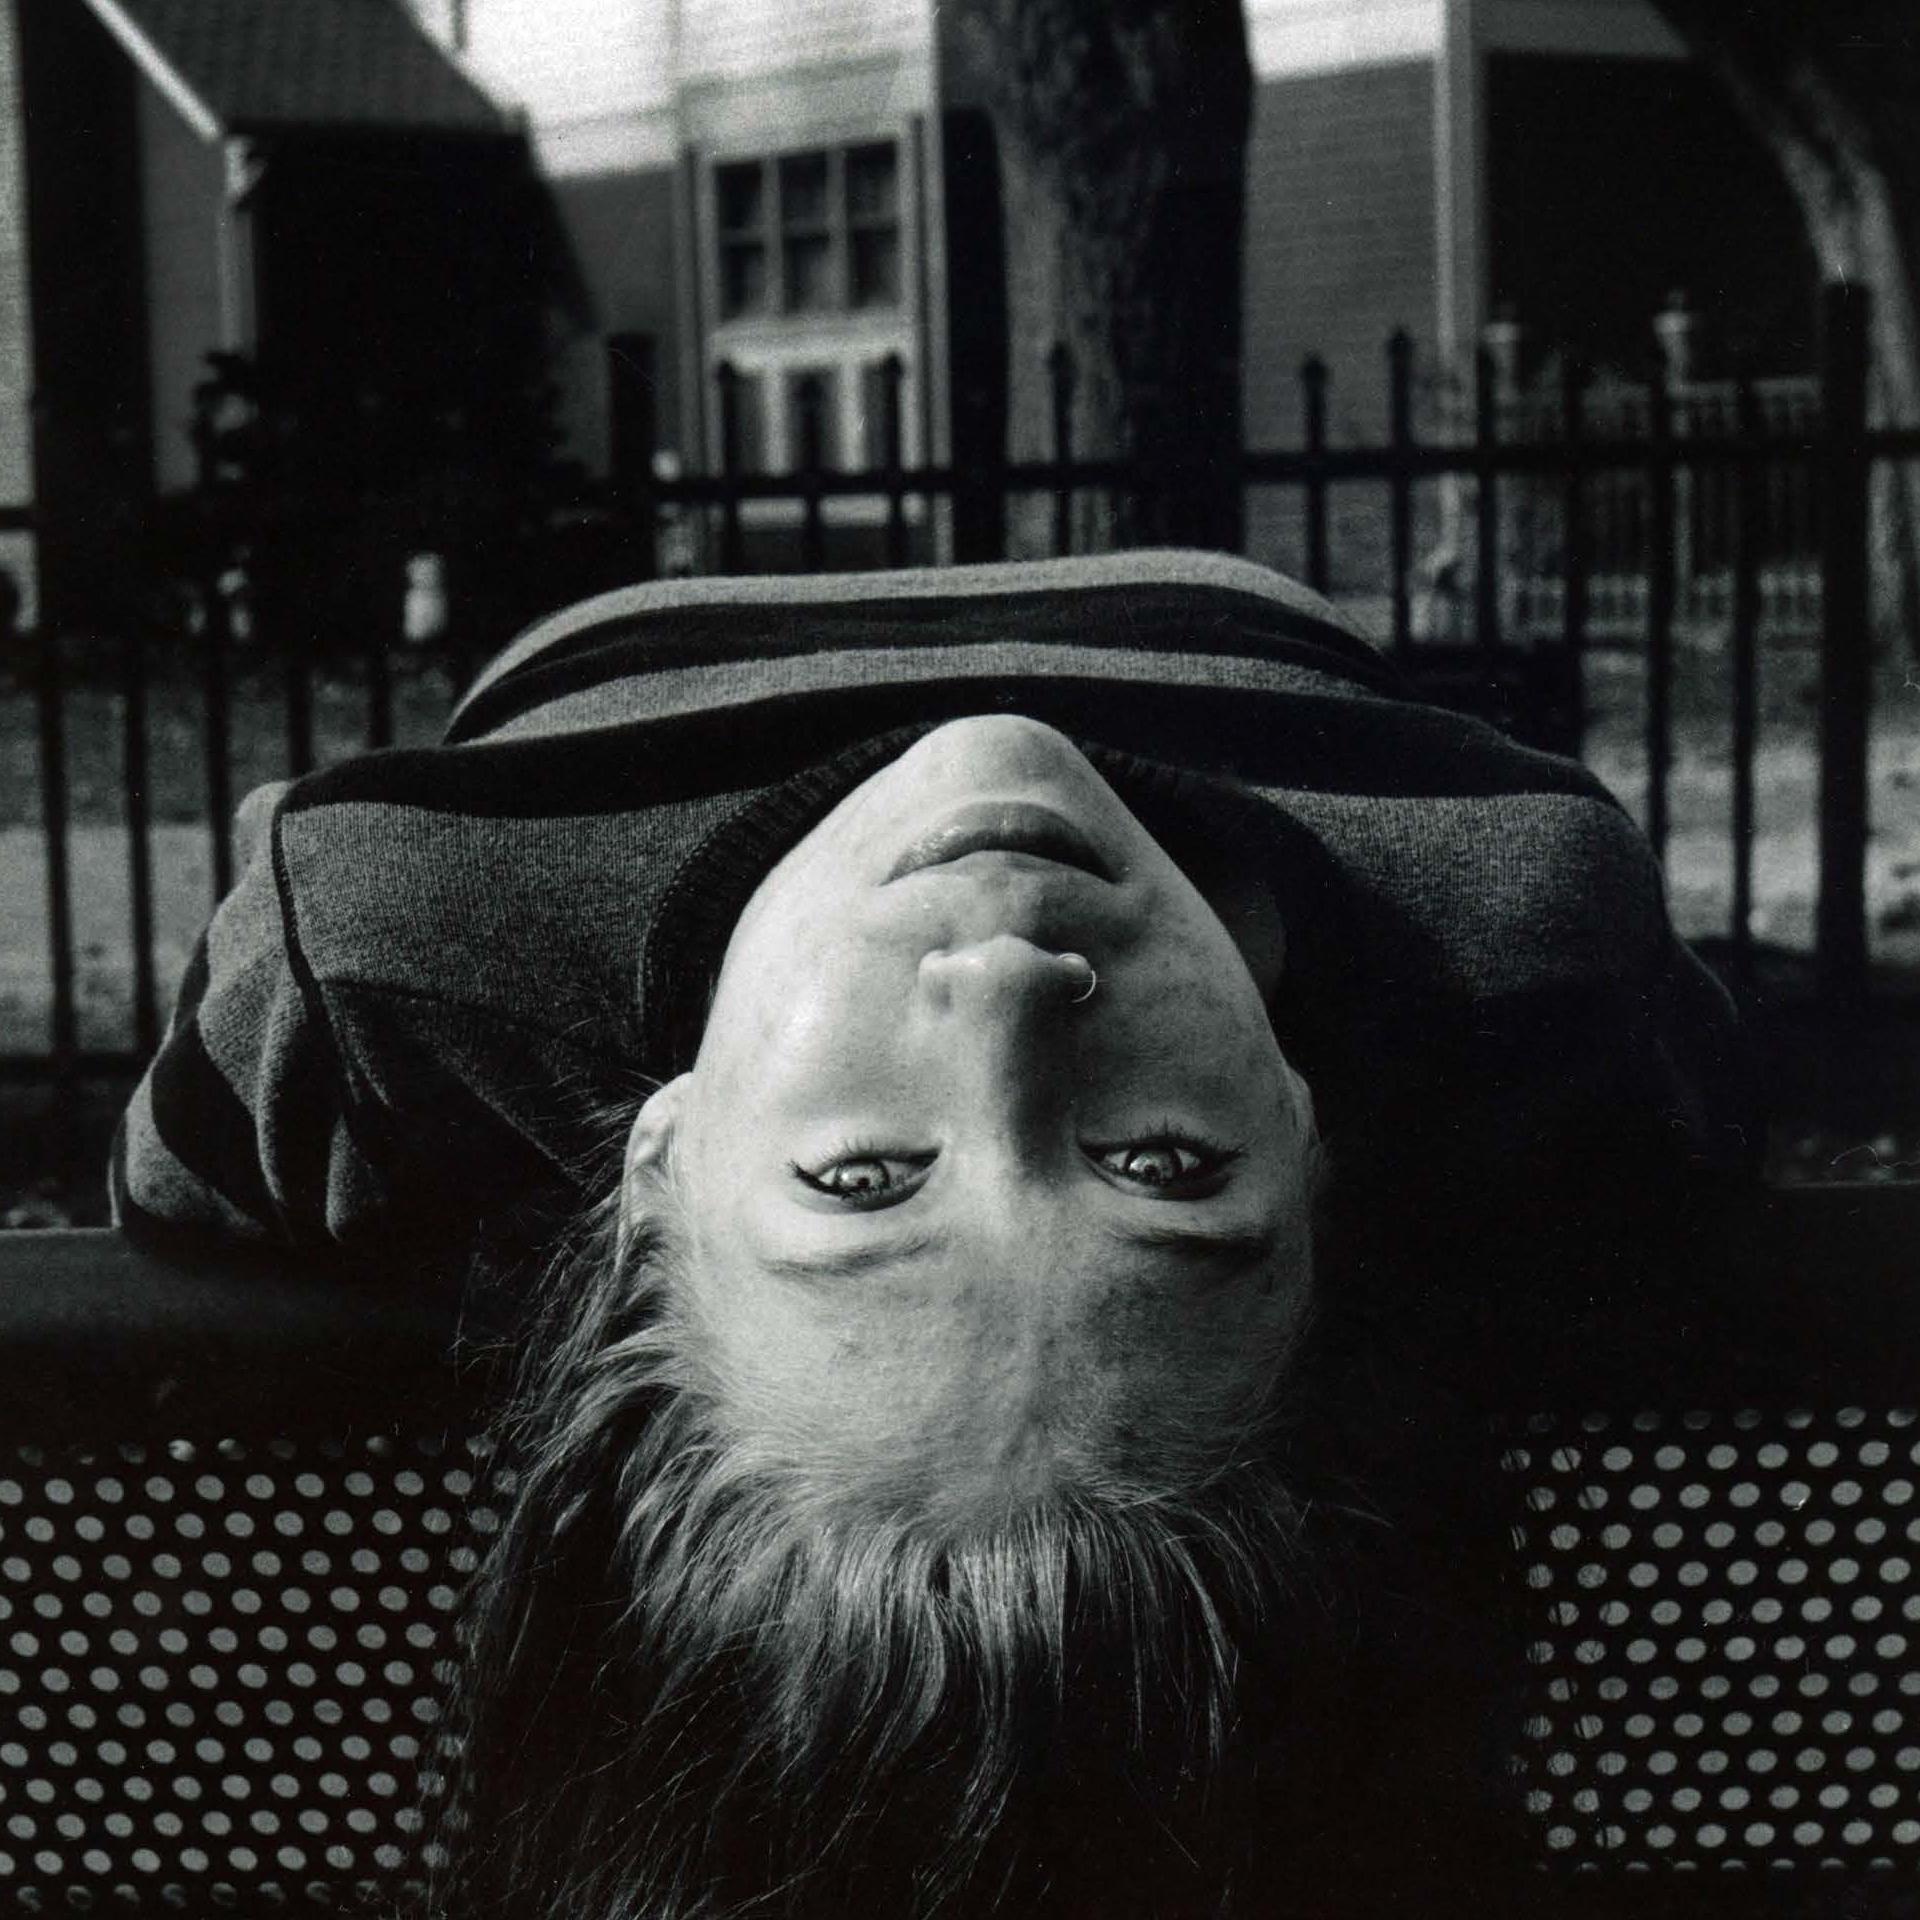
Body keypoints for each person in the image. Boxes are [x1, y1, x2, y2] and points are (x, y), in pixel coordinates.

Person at [113, 550, 1754, 1918]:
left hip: (638, 623)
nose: (1008, 991)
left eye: (862, 1179)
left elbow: (176, 1168)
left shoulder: (385, 942)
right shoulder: (1526, 930)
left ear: (651, 1170)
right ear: (1322, 1156)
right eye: (1166, 1163)